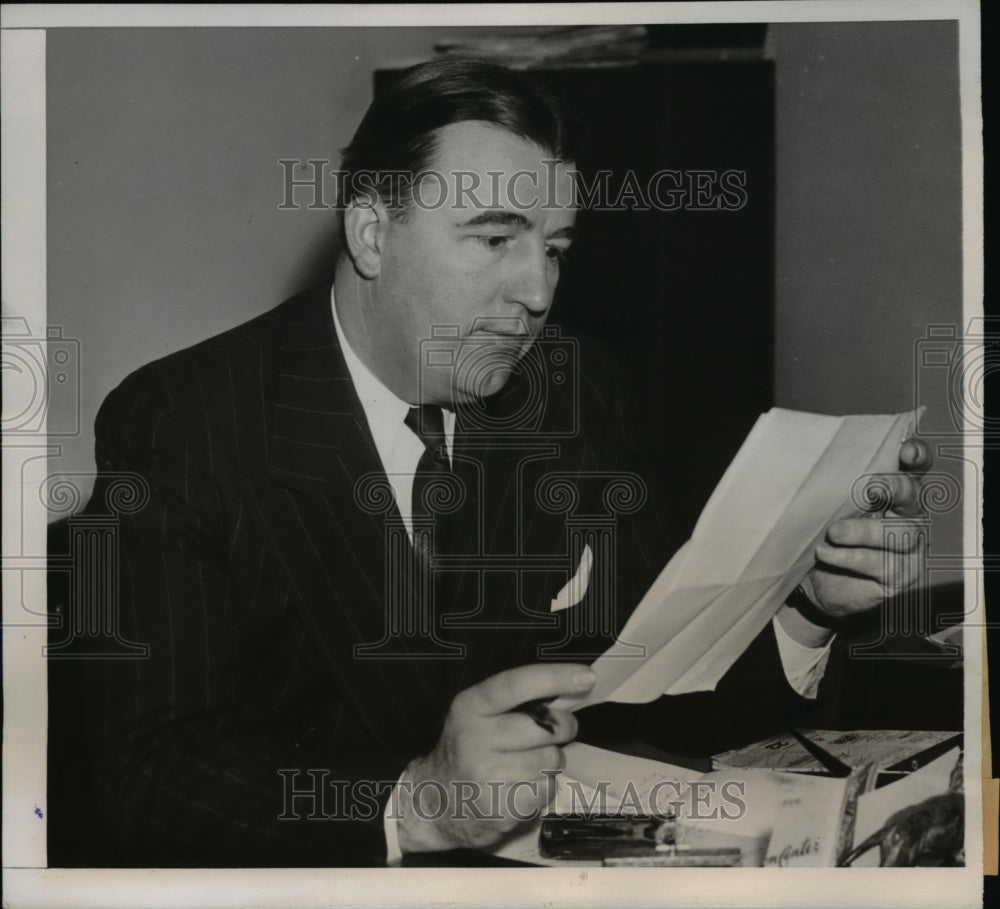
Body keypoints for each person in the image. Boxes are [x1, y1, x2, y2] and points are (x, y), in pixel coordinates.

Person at [79, 58, 930, 866]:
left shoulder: (571, 388)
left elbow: (656, 669)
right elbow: (145, 777)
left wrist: (807, 606)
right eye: (495, 239)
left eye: (554, 248)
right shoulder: (182, 423)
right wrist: (418, 802)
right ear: (373, 233)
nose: (537, 292)